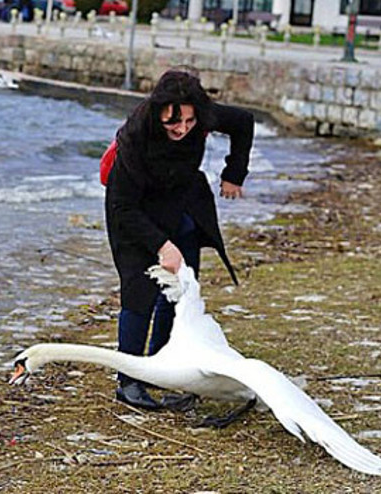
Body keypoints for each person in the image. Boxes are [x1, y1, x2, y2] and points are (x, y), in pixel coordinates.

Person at [104, 68, 254, 410]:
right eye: (174, 122)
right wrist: (161, 246)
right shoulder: (135, 137)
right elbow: (123, 206)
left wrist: (234, 173)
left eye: (189, 122)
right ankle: (129, 381)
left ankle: (164, 367)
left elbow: (243, 121)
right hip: (133, 212)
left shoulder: (201, 115)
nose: (182, 129)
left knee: (180, 291)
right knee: (139, 292)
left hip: (182, 204)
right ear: (159, 112)